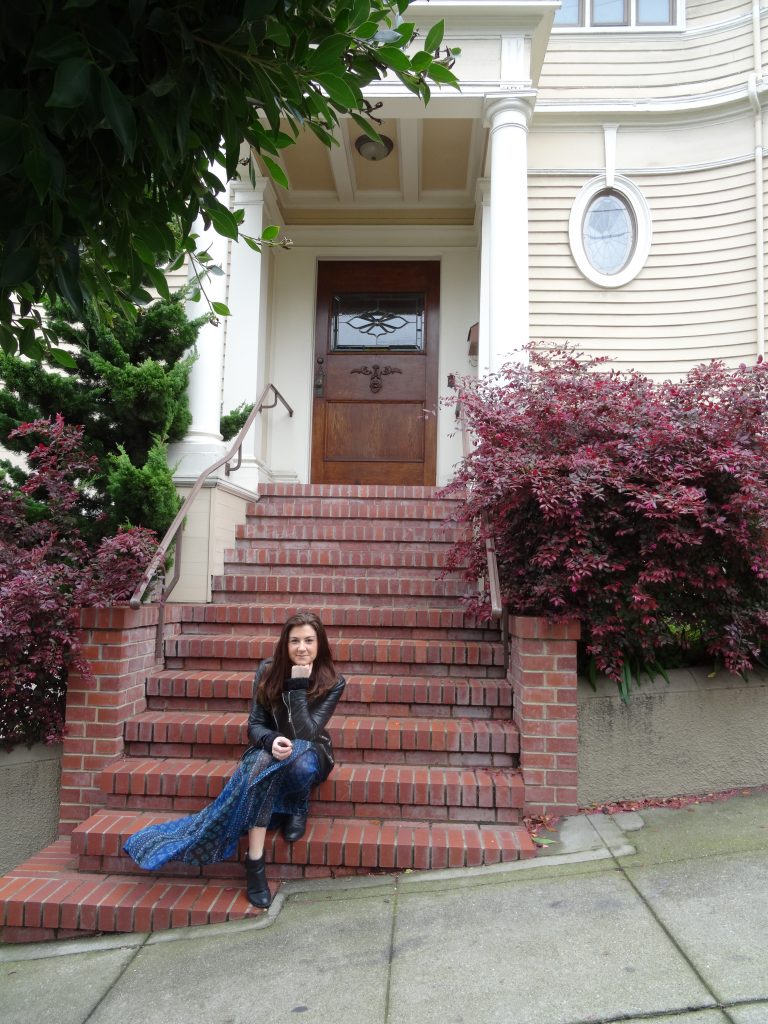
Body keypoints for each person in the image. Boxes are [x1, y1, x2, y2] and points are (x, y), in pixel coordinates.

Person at [124, 611, 346, 909]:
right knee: (262, 767)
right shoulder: (267, 670)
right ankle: (255, 862)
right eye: (295, 641)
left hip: (311, 752)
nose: (302, 648)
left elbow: (305, 733)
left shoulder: (333, 681)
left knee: (299, 762)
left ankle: (297, 803)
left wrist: (297, 688)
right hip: (270, 748)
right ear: (285, 643)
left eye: (309, 640)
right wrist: (270, 740)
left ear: (320, 645)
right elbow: (254, 725)